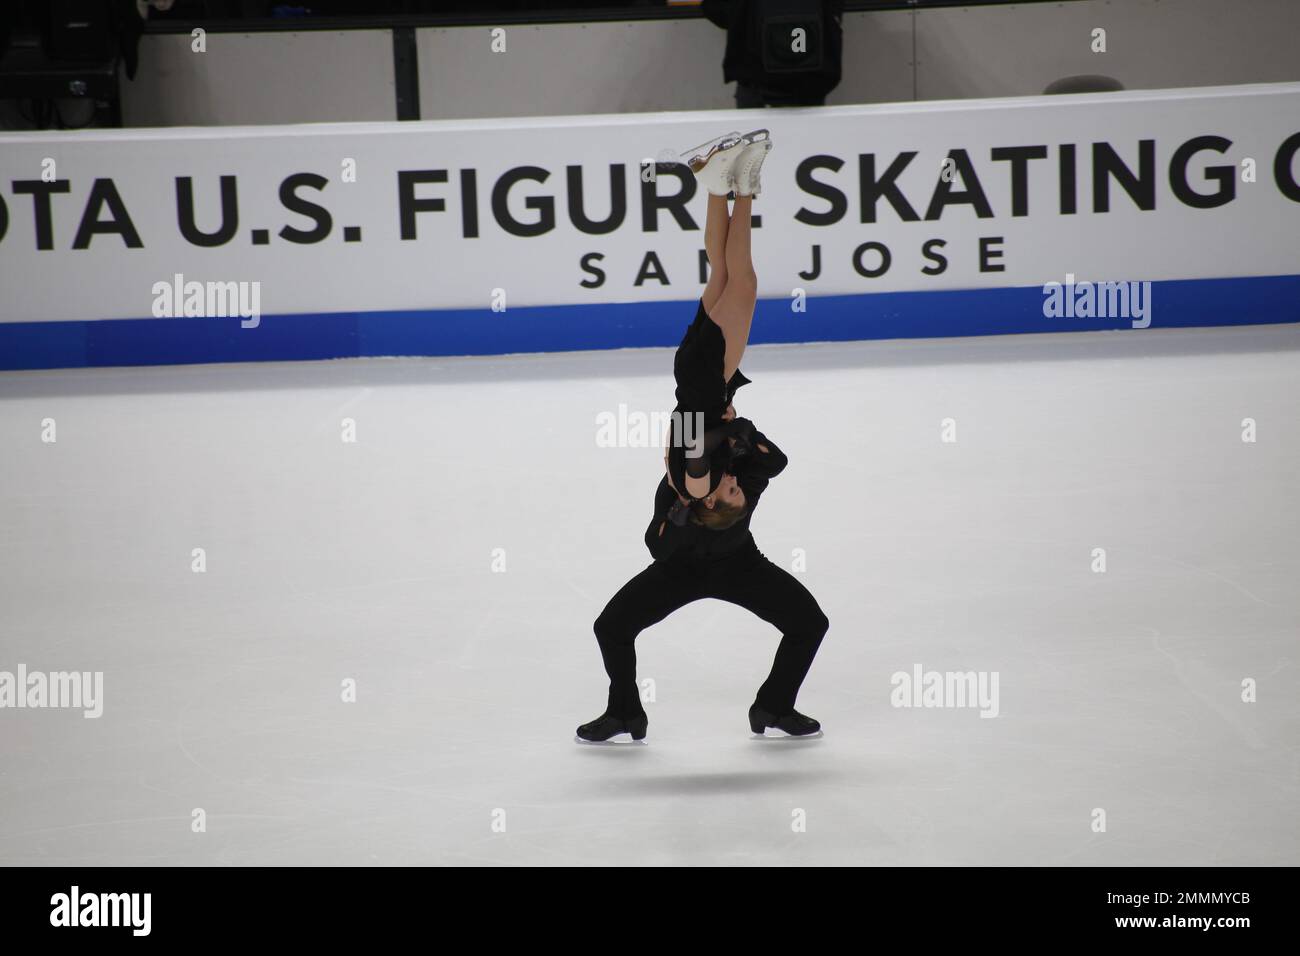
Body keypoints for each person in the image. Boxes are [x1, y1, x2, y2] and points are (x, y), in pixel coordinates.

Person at [576, 129, 829, 743]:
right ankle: (723, 185)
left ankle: (740, 189)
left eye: (732, 494)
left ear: (711, 497)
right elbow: (772, 461)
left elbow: (695, 443)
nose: (741, 490)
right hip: (708, 399)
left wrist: (719, 427)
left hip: (701, 379)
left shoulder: (696, 471)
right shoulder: (728, 480)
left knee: (742, 280)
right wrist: (738, 432)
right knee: (726, 273)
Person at [702, 0, 845, 109]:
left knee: (757, 144)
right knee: (809, 144)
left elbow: (716, 9)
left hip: (755, 78)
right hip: (811, 78)